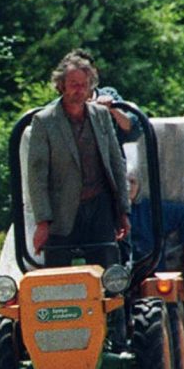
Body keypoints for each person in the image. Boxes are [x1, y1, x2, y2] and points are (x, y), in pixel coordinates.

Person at [28, 51, 131, 268]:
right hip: (62, 212)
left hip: (100, 207)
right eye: (73, 84)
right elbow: (37, 176)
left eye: (84, 84)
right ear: (61, 85)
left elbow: (115, 163)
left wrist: (122, 211)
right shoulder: (44, 121)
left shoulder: (101, 116)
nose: (79, 90)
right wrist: (43, 222)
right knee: (60, 277)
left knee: (109, 273)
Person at [65, 49, 143, 146]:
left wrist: (112, 108)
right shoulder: (57, 107)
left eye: (85, 71)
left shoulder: (109, 95)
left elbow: (134, 131)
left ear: (94, 72)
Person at [127, 173, 184, 270]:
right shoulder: (105, 212)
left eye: (132, 182)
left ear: (139, 186)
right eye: (124, 183)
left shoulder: (150, 209)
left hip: (150, 274)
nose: (128, 187)